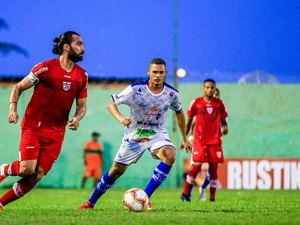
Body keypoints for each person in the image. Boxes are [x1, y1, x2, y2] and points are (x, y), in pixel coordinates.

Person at [77, 57, 192, 210]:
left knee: (170, 155)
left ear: (166, 73)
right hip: (135, 136)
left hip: (157, 134)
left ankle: (145, 197)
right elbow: (111, 104)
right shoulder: (136, 89)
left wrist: (184, 138)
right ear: (149, 72)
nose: (158, 75)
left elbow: (179, 112)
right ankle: (90, 203)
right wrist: (121, 118)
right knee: (115, 172)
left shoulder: (172, 94)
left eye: (161, 73)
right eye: (155, 72)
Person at [0, 31, 87, 212]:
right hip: (33, 127)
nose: (83, 48)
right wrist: (12, 109)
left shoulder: (82, 76)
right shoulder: (45, 68)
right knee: (26, 170)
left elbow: (81, 106)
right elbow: (18, 87)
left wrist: (77, 118)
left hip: (56, 133)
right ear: (66, 47)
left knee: (36, 175)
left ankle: (0, 204)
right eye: (79, 44)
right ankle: (4, 169)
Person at [180, 80, 228, 202]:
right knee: (196, 166)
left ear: (214, 88)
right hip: (200, 141)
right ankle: (186, 193)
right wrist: (185, 138)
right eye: (207, 87)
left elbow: (224, 123)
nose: (210, 90)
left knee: (213, 169)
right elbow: (190, 121)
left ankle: (212, 198)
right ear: (203, 88)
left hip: (215, 141)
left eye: (212, 88)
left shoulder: (219, 104)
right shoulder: (197, 103)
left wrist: (225, 128)